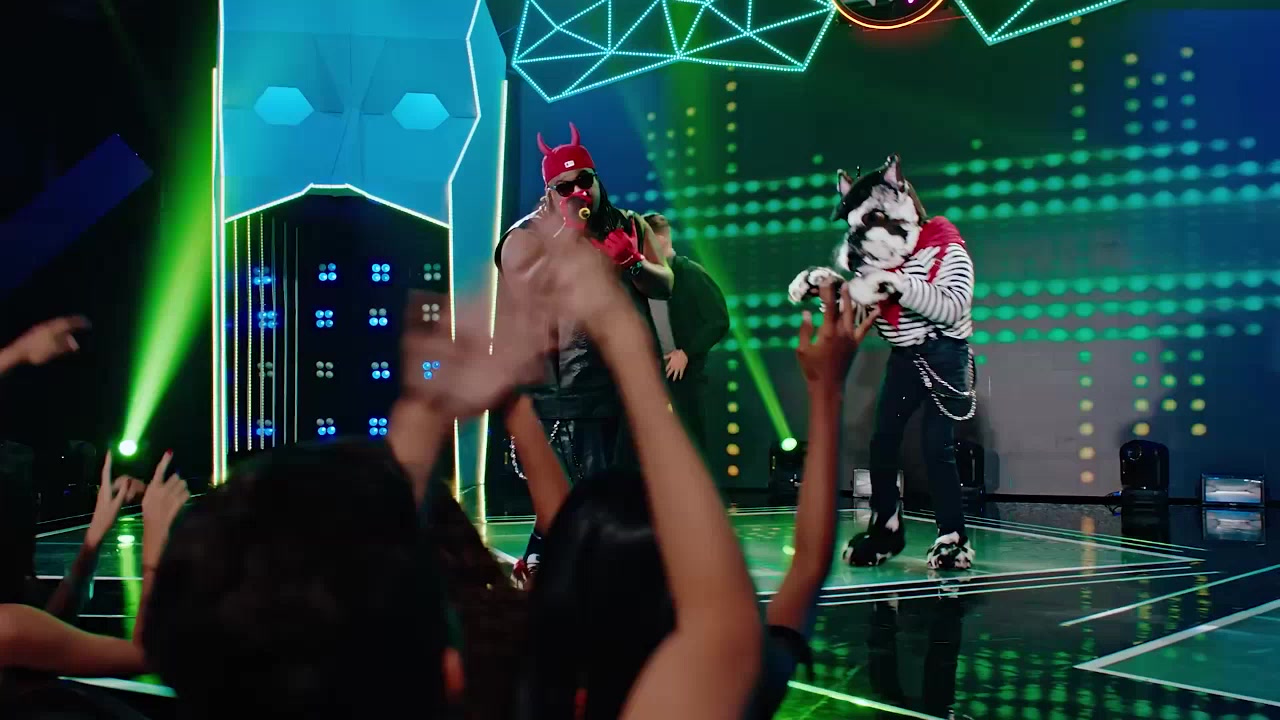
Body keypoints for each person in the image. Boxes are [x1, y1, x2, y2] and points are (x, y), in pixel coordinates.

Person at [510, 206, 875, 719]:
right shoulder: (719, 688)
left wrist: (512, 401)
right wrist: (827, 393)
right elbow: (810, 566)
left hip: (677, 385)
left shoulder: (535, 693)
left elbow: (560, 517)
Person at [494, 123, 674, 583]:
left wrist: (633, 262)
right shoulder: (526, 234)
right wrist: (565, 240)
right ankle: (550, 572)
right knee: (574, 497)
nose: (578, 191)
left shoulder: (628, 224)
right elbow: (526, 291)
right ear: (549, 193)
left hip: (623, 385)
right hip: (561, 392)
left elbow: (665, 285)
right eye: (564, 186)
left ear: (597, 180)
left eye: (584, 180)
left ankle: (573, 570)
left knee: (621, 496)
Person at [788, 154, 976, 570]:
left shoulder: (944, 246)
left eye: (871, 220)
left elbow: (954, 306)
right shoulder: (878, 262)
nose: (860, 236)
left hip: (945, 353)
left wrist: (896, 283)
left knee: (937, 446)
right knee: (883, 441)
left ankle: (953, 536)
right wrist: (827, 289)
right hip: (905, 357)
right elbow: (857, 307)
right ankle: (886, 527)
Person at [641, 213, 730, 457]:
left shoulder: (690, 273)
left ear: (659, 239)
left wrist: (687, 353)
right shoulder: (642, 277)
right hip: (650, 372)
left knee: (690, 442)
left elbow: (718, 320)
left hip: (683, 372)